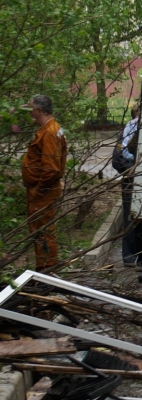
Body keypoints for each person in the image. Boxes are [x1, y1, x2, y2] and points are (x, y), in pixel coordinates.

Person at [21, 94, 68, 270]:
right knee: (40, 231)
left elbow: (51, 169)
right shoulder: (50, 129)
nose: (29, 113)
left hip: (43, 192)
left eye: (31, 109)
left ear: (39, 110)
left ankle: (46, 272)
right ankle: (44, 269)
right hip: (42, 191)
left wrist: (39, 190)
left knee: (43, 232)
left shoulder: (49, 132)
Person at [114, 104, 142, 266]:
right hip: (138, 177)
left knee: (130, 217)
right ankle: (139, 256)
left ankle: (129, 255)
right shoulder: (137, 127)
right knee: (139, 218)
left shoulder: (126, 129)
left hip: (129, 178)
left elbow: (118, 157)